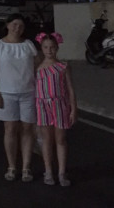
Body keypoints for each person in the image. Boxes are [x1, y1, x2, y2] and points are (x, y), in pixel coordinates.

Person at [0, 13, 39, 182]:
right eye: (15, 24)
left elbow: (38, 68)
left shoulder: (28, 45)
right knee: (10, 129)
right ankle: (11, 166)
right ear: (8, 25)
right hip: (7, 93)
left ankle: (26, 167)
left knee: (27, 129)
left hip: (28, 93)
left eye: (21, 26)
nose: (18, 28)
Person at [35, 32, 77, 187]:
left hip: (59, 105)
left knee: (60, 139)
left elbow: (70, 89)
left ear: (57, 48)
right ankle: (48, 171)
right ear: (41, 48)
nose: (49, 50)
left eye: (52, 47)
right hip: (42, 105)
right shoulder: (38, 67)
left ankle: (61, 172)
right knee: (46, 139)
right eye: (46, 47)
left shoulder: (63, 67)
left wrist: (73, 109)